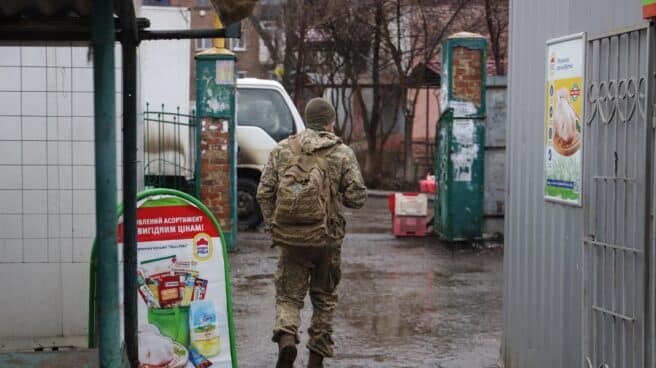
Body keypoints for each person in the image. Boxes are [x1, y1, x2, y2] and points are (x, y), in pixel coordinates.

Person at [256, 97, 367, 368]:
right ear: (330, 122)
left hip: (291, 240)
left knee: (288, 296)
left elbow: (264, 193)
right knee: (324, 299)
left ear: (307, 120)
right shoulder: (342, 153)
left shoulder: (283, 149)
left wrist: (274, 226)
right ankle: (316, 359)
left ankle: (286, 339)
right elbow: (357, 198)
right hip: (326, 240)